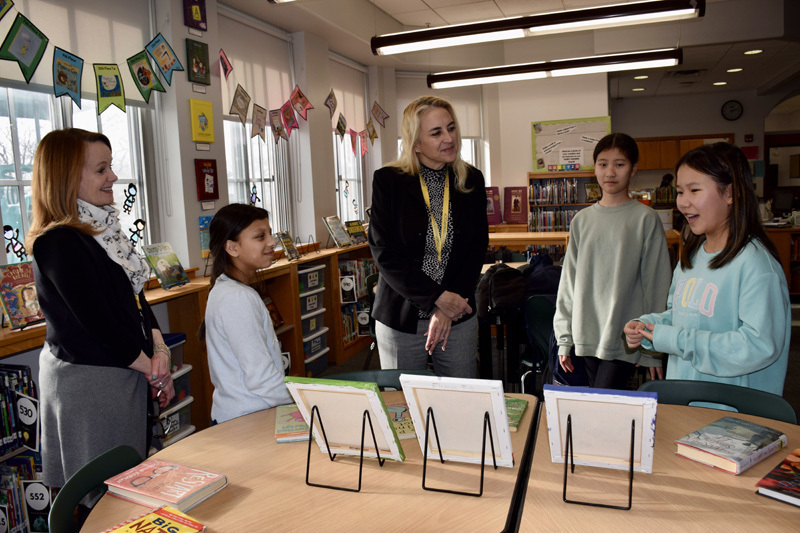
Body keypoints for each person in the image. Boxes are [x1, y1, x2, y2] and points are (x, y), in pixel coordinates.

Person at [28, 129, 174, 514]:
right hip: (90, 383)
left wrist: (159, 352)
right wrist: (152, 369)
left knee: (130, 480)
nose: (113, 177)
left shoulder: (106, 232)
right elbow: (98, 323)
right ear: (66, 178)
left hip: (127, 369)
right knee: (102, 495)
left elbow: (136, 298)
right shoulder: (58, 242)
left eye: (111, 166)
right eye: (101, 169)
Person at [624, 143, 790, 394]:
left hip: (734, 416)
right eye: (680, 191)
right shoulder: (691, 257)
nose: (683, 202)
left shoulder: (755, 264)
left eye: (694, 190)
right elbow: (682, 316)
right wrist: (648, 326)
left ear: (729, 193)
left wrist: (673, 339)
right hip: (688, 401)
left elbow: (759, 346)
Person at [368, 95, 488, 377]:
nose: (449, 138)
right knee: (403, 409)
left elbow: (476, 248)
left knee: (461, 400)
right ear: (416, 143)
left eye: (451, 128)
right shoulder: (388, 181)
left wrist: (448, 307)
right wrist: (436, 297)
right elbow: (384, 254)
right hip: (402, 317)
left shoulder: (471, 179)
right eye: (436, 132)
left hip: (457, 314)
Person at [553, 133, 672, 389]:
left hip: (625, 338)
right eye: (603, 163)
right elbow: (569, 283)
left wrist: (653, 348)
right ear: (594, 168)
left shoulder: (645, 219)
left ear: (634, 169)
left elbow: (657, 285)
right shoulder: (582, 221)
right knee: (598, 410)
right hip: (585, 333)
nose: (610, 172)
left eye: (620, 164)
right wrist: (565, 338)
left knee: (604, 407)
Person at [200, 203, 292, 423]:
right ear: (232, 248)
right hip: (248, 419)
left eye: (270, 233)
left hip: (246, 414)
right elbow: (261, 378)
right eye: (260, 236)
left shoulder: (230, 290)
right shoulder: (236, 298)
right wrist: (303, 403)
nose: (272, 241)